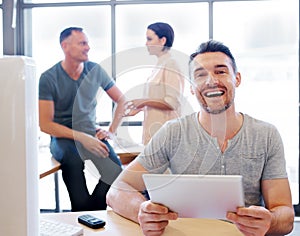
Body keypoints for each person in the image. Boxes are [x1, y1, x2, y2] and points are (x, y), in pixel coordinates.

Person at [107, 40, 295, 235]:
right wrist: (142, 212)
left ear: (237, 79)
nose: (211, 81)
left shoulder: (266, 135)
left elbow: (286, 215)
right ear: (191, 87)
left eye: (220, 71)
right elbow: (117, 190)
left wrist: (270, 221)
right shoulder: (173, 133)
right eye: (200, 74)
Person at [39, 27, 123, 211]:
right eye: (82, 43)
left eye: (87, 43)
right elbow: (45, 124)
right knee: (74, 161)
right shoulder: (48, 78)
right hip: (63, 139)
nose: (88, 47)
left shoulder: (95, 70)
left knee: (115, 169)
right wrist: (82, 137)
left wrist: (111, 130)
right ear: (65, 46)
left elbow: (122, 100)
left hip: (91, 135)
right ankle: (83, 214)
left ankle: (90, 211)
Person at [109, 22, 185, 145]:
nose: (146, 43)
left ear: (162, 40)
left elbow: (172, 103)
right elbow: (158, 100)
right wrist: (141, 108)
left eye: (149, 39)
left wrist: (143, 102)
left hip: (166, 136)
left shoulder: (171, 64)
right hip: (153, 134)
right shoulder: (159, 65)